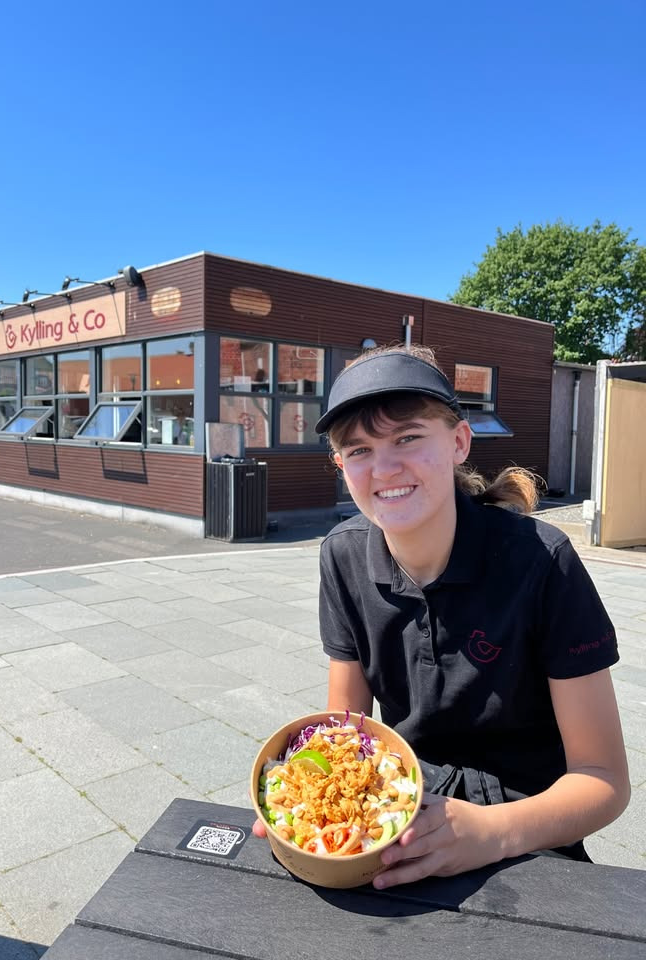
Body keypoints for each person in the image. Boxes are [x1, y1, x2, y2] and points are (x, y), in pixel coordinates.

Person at [253, 344, 629, 887]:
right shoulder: (342, 556)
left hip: (531, 829)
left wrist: (490, 832)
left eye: (407, 437)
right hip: (401, 811)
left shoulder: (543, 561)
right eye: (358, 450)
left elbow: (604, 780)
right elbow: (346, 736)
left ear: (458, 442)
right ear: (340, 466)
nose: (384, 468)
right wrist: (305, 807)